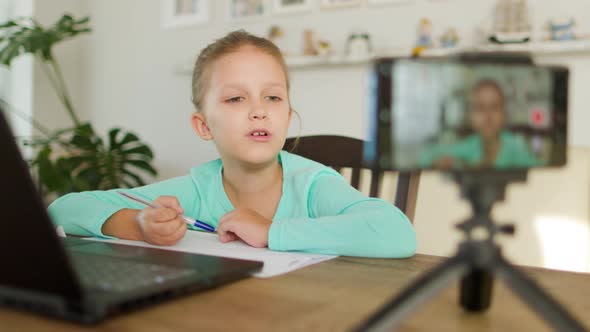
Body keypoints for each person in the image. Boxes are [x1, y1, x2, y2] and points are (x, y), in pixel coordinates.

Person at [48, 30, 416, 258]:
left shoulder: (313, 184)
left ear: (288, 117)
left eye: (273, 98)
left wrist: (271, 231)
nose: (259, 111)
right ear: (203, 126)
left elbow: (396, 233)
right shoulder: (195, 189)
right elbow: (64, 209)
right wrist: (139, 225)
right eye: (236, 99)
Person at [420, 79, 539, 170]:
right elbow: (425, 157)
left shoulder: (516, 148)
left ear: (504, 114)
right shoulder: (467, 147)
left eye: (494, 107)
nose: (488, 116)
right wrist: (438, 162)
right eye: (480, 108)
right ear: (470, 116)